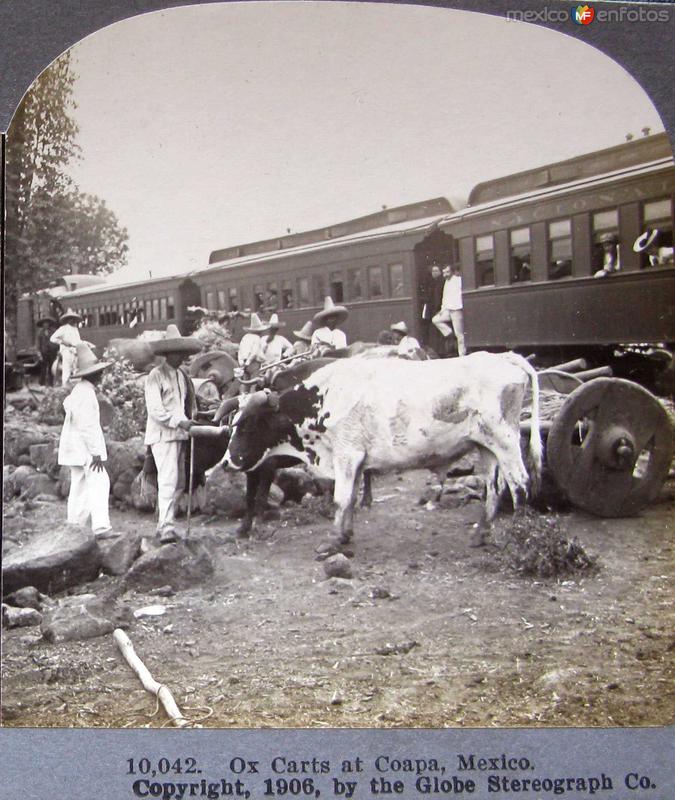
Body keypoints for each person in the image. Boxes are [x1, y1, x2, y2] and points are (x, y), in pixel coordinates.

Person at [144, 324, 202, 543]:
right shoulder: (155, 376)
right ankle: (166, 526)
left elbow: (185, 405)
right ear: (169, 354)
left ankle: (165, 523)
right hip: (163, 435)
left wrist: (190, 419)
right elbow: (156, 410)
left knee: (178, 481)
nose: (182, 357)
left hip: (179, 434)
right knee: (168, 479)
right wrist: (180, 422)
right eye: (179, 352)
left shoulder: (181, 376)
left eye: (183, 353)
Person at [57, 343, 113, 536]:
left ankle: (75, 526)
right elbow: (87, 426)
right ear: (92, 375)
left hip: (76, 449)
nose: (101, 376)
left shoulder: (78, 391)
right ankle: (101, 526)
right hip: (86, 449)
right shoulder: (86, 393)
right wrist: (96, 452)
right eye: (99, 373)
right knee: (99, 482)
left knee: (80, 485)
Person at [432, 264, 466, 357]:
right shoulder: (446, 282)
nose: (445, 274)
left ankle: (462, 354)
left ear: (451, 272)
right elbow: (445, 297)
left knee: (459, 334)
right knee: (435, 320)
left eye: (447, 272)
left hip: (457, 309)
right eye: (444, 273)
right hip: (448, 309)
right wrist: (442, 310)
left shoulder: (459, 280)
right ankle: (448, 333)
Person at [50, 308, 83, 385]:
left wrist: (83, 343)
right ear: (67, 319)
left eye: (73, 318)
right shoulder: (63, 328)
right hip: (67, 351)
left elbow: (77, 341)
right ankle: (64, 387)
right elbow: (52, 338)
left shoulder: (75, 329)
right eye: (70, 318)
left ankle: (73, 388)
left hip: (75, 351)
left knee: (75, 370)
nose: (72, 320)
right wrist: (63, 342)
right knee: (66, 370)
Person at [237, 313, 269, 384]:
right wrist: (248, 362)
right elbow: (254, 352)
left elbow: (240, 350)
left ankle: (244, 394)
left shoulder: (245, 337)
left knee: (245, 382)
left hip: (243, 363)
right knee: (254, 382)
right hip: (253, 363)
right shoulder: (257, 338)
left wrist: (241, 362)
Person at [420, 263, 444, 346]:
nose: (434, 272)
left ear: (440, 272)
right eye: (433, 271)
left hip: (439, 307)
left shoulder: (442, 282)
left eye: (436, 270)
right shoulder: (430, 283)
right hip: (431, 307)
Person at [37, 316, 59, 387]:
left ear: (49, 324)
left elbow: (57, 341)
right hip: (44, 352)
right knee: (43, 368)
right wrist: (39, 353)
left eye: (47, 323)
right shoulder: (40, 333)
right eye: (44, 323)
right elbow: (38, 344)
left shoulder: (53, 331)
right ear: (42, 324)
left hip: (52, 352)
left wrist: (57, 350)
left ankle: (51, 383)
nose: (45, 324)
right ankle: (42, 384)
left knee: (51, 368)